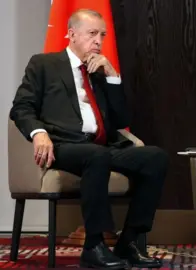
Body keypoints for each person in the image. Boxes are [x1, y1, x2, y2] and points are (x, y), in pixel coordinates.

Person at [10, 9, 167, 269]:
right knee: (97, 155)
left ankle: (128, 242)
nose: (98, 41)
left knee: (155, 157)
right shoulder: (44, 65)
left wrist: (112, 75)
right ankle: (94, 245)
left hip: (101, 148)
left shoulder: (98, 70)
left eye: (102, 35)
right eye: (92, 34)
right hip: (64, 146)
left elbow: (119, 120)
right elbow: (21, 107)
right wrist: (39, 134)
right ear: (71, 34)